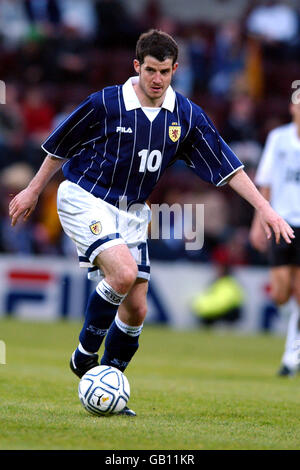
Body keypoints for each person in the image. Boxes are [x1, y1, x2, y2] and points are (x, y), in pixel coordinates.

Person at [9, 29, 294, 415]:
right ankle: (84, 355)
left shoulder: (186, 115)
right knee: (123, 274)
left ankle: (109, 383)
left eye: (164, 71)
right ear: (136, 67)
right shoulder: (106, 103)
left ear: (175, 69)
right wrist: (31, 190)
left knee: (137, 310)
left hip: (133, 212)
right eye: (149, 71)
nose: (157, 79)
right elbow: (59, 148)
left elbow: (229, 167)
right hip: (86, 198)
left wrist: (266, 208)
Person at [250, 99, 300, 376]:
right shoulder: (278, 139)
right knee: (281, 294)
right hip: (282, 224)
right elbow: (265, 185)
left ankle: (290, 358)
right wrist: (259, 223)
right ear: (292, 107)